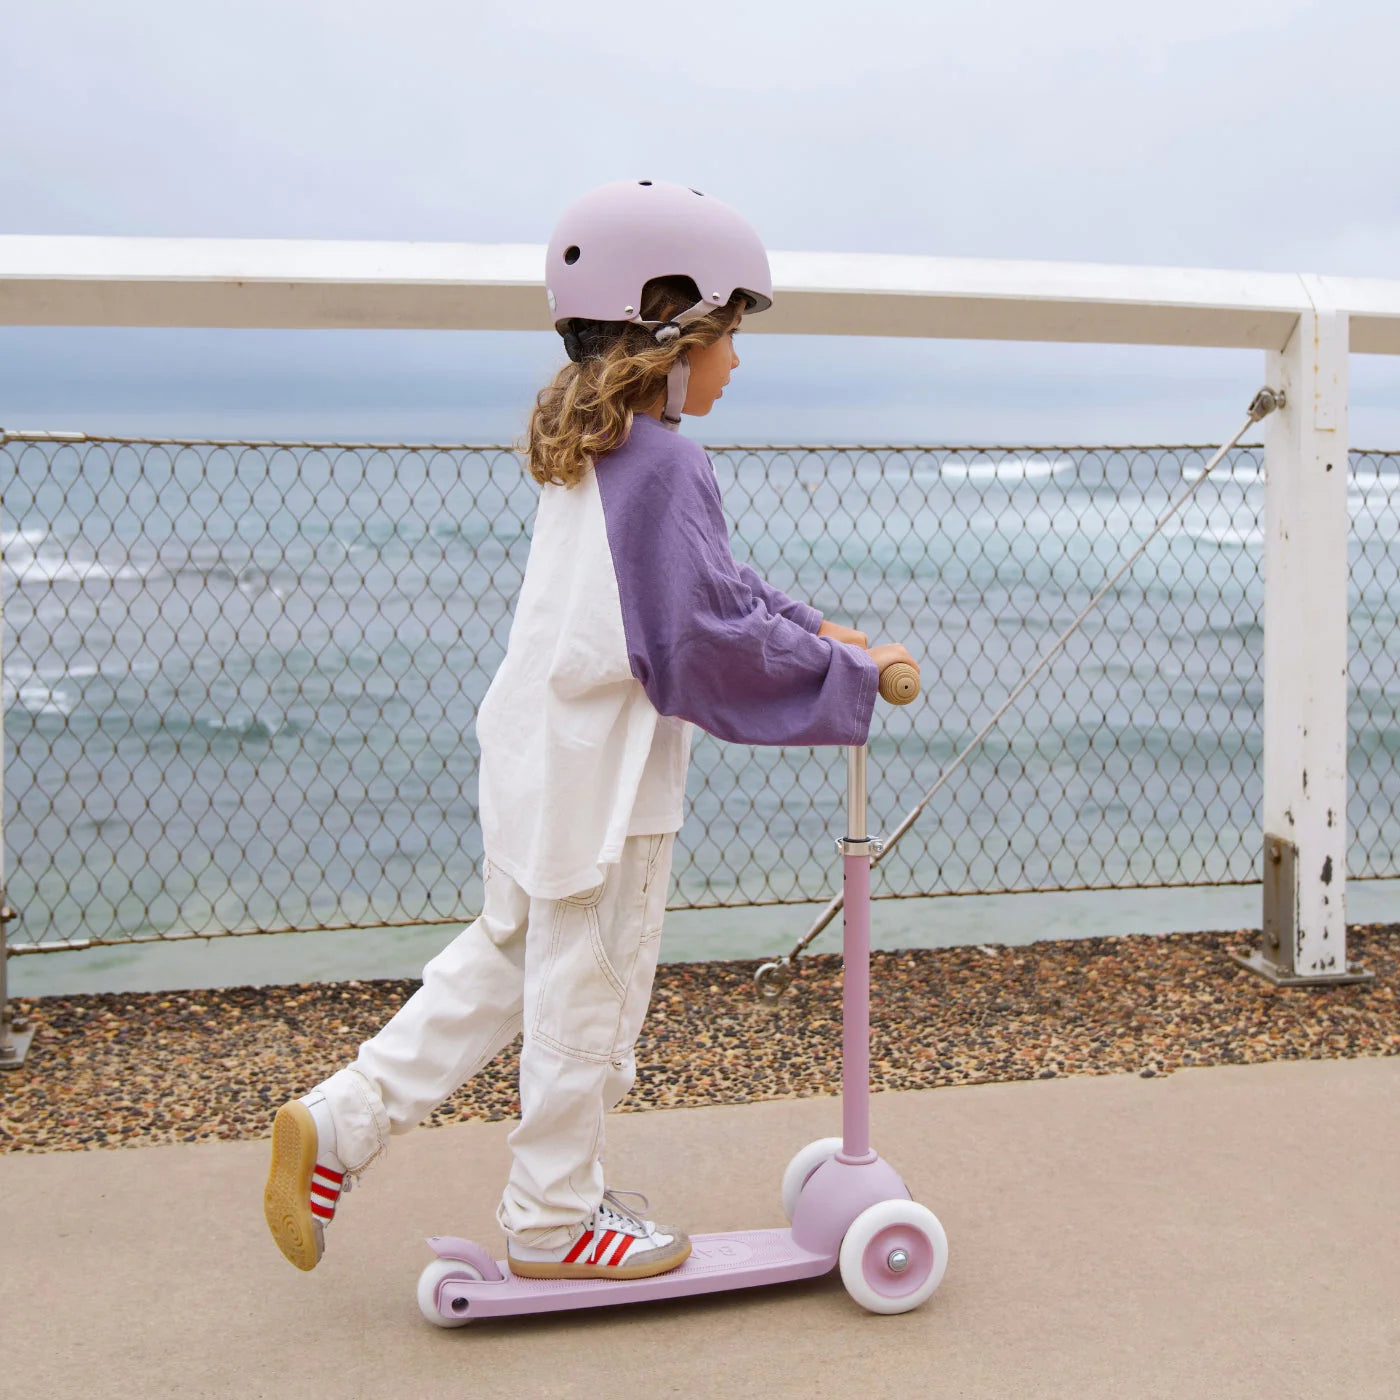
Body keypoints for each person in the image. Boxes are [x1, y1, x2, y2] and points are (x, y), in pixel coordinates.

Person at [263, 178, 917, 1280]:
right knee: (591, 994)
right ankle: (554, 1216)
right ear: (668, 334)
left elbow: (704, 584)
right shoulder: (666, 463)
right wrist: (837, 679)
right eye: (726, 335)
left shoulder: (599, 449)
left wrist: (812, 625)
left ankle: (342, 1119)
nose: (736, 361)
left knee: (507, 966)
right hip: (607, 786)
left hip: (533, 755)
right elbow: (696, 637)